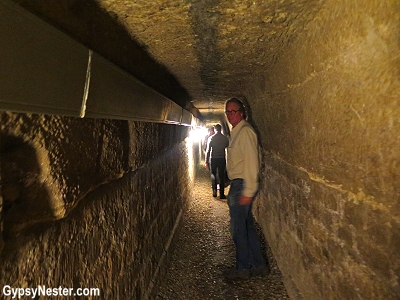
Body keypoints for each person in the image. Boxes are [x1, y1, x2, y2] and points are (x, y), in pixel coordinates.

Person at [223, 97, 270, 280]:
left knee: (237, 230)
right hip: (238, 184)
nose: (230, 115)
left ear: (241, 112)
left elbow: (252, 162)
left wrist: (248, 191)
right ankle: (259, 265)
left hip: (242, 184)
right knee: (247, 227)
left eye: (233, 111)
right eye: (227, 111)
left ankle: (242, 268)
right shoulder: (237, 131)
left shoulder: (245, 132)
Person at [205, 124, 229, 199]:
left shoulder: (211, 138)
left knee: (213, 174)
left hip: (213, 158)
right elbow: (227, 147)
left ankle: (214, 191)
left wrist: (206, 161)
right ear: (221, 129)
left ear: (215, 130)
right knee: (221, 176)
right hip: (221, 158)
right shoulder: (225, 138)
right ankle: (221, 194)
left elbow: (208, 150)